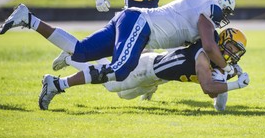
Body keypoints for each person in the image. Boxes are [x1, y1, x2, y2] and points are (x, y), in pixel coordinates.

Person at [0, 0, 237, 87]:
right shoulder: (209, 6)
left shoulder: (198, 8)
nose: (223, 16)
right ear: (218, 1)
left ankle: (28, 19)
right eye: (225, 10)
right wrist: (225, 67)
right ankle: (62, 82)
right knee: (121, 70)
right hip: (140, 23)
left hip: (134, 20)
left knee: (81, 50)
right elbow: (208, 45)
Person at [36, 28, 249, 111]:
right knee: (111, 85)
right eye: (231, 47)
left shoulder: (220, 65)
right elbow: (209, 88)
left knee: (124, 95)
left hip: (156, 77)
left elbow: (219, 99)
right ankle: (72, 58)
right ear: (221, 42)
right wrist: (238, 84)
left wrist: (225, 96)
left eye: (236, 51)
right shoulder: (203, 55)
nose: (233, 53)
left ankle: (76, 60)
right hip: (148, 67)